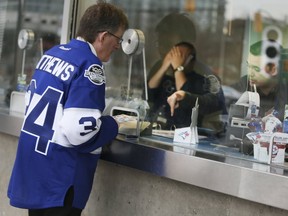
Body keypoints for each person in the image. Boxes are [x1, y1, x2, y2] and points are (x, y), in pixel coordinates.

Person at [7, 2, 128, 216]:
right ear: (103, 36)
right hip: (60, 178)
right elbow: (78, 133)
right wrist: (113, 124)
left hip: (35, 169)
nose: (118, 46)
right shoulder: (89, 65)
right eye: (117, 39)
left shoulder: (52, 54)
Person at [147, 12, 227, 135]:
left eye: (170, 46)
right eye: (160, 43)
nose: (163, 50)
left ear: (187, 44)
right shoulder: (159, 67)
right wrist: (163, 67)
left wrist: (178, 68)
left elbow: (186, 98)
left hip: (188, 137)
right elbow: (148, 95)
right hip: (157, 132)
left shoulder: (205, 75)